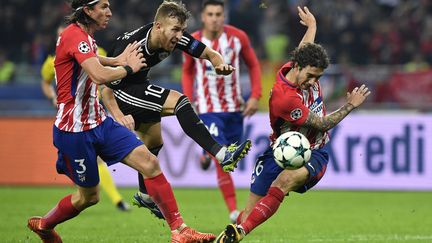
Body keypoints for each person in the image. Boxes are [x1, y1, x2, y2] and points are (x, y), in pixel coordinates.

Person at [27, 1, 215, 242]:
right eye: (103, 7)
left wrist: (115, 60)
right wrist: (128, 67)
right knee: (89, 197)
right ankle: (45, 225)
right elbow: (98, 75)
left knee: (150, 163)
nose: (109, 12)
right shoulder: (74, 36)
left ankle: (180, 231)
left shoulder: (84, 36)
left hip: (99, 121)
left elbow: (93, 61)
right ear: (88, 10)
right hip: (74, 130)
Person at [215, 6, 371, 243]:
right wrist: (350, 105)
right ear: (298, 67)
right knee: (247, 214)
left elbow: (304, 48)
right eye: (310, 76)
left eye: (318, 77)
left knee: (284, 181)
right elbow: (322, 124)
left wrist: (312, 26)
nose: (313, 82)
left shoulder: (298, 65)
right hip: (278, 151)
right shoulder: (285, 98)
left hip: (315, 152)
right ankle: (227, 236)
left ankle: (241, 232)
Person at [101, 0, 252, 218]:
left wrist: (219, 64)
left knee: (153, 143)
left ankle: (144, 195)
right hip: (120, 92)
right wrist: (118, 116)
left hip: (139, 85)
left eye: (182, 30)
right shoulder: (133, 47)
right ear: (158, 26)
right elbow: (104, 88)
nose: (179, 36)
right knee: (180, 101)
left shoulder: (174, 38)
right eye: (175, 30)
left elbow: (209, 53)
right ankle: (221, 153)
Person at [181, 0, 262, 223]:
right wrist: (188, 101)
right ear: (203, 16)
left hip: (235, 108)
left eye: (218, 13)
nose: (215, 18)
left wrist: (255, 96)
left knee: (231, 155)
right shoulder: (193, 41)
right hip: (208, 109)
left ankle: (204, 153)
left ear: (224, 15)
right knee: (223, 157)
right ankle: (234, 211)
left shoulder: (238, 38)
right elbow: (187, 72)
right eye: (210, 14)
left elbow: (254, 65)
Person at [40, 24, 130, 212]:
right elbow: (46, 82)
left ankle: (115, 199)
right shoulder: (51, 62)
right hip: (72, 117)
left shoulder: (94, 50)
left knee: (96, 166)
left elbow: (104, 77)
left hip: (95, 112)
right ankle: (115, 199)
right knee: (93, 170)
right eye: (60, 36)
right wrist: (52, 97)